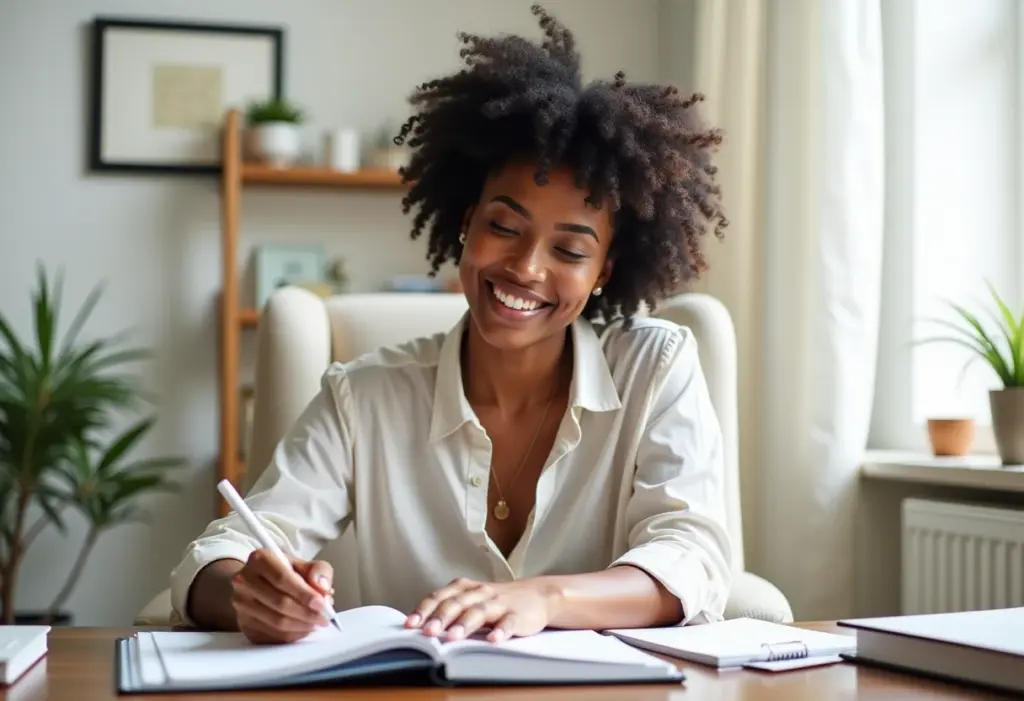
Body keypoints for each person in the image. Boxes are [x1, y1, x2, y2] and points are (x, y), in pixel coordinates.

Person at [170, 3, 732, 646]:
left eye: (570, 251)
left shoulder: (655, 370)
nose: (525, 267)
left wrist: (543, 597)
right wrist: (250, 593)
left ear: (606, 267)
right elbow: (224, 550)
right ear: (466, 222)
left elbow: (692, 557)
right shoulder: (363, 397)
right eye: (504, 226)